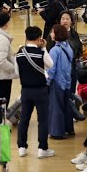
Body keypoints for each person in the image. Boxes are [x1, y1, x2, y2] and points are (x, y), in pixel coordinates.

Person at [12, 26, 55, 159]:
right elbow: (51, 65)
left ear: (26, 37)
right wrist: (44, 48)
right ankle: (42, 148)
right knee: (42, 120)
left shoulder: (18, 54)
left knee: (24, 118)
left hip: (25, 90)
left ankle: (22, 147)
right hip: (41, 90)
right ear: (39, 38)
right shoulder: (41, 53)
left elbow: (17, 73)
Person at [47, 24, 74, 139]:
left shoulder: (54, 50)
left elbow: (51, 70)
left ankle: (57, 132)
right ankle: (69, 128)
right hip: (67, 81)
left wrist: (47, 82)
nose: (50, 34)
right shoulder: (68, 47)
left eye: (52, 32)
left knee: (56, 107)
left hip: (57, 82)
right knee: (66, 105)